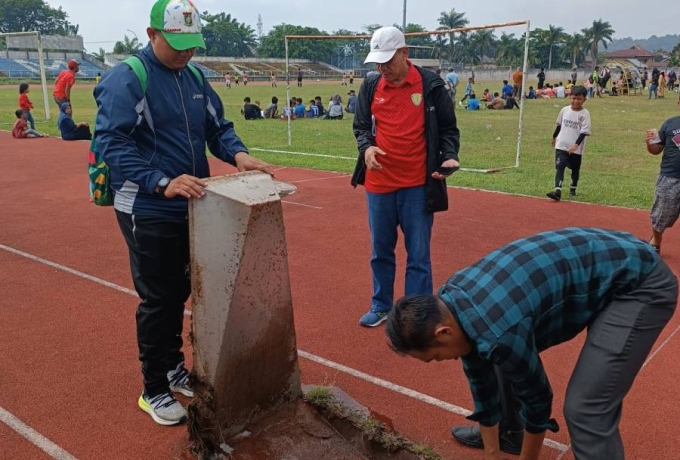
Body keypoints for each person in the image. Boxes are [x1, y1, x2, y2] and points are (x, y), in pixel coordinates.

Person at [93, 0, 274, 427]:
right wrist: (161, 181)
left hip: (192, 202)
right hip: (147, 204)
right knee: (160, 297)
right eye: (177, 45)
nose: (186, 53)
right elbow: (111, 144)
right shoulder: (128, 79)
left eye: (192, 45)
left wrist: (239, 155)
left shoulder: (193, 76)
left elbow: (217, 128)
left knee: (182, 289)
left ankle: (173, 366)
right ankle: (153, 386)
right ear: (152, 34)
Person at [386, 227, 677, 460]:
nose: (441, 361)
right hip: (603, 266)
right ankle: (509, 434)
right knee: (493, 353)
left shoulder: (499, 332)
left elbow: (538, 402)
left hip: (639, 285)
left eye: (435, 357)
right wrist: (491, 454)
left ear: (443, 333)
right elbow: (480, 380)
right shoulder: (451, 302)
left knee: (585, 408)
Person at [351, 26, 460, 327]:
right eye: (378, 62)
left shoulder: (430, 85)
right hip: (379, 185)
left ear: (405, 53)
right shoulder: (371, 85)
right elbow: (361, 127)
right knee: (380, 251)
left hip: (417, 184)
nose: (382, 67)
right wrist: (367, 148)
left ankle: (417, 314)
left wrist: (449, 154)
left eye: (388, 60)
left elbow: (449, 129)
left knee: (418, 255)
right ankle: (381, 306)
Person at [546, 86, 591, 201]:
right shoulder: (564, 110)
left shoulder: (585, 114)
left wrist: (575, 145)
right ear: (570, 97)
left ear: (584, 100)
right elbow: (559, 125)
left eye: (579, 99)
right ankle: (557, 191)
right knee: (560, 166)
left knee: (575, 169)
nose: (576, 101)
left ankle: (573, 189)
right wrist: (554, 136)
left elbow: (583, 132)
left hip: (575, 148)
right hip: (562, 145)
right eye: (574, 98)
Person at [645, 113, 680, 255]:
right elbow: (656, 149)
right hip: (670, 176)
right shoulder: (670, 124)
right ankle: (656, 241)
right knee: (661, 214)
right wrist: (649, 142)